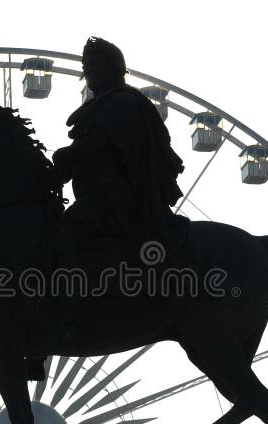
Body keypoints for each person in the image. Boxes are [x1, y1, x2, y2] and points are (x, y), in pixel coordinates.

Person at [50, 36, 186, 343]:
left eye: (95, 65)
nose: (89, 72)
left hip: (115, 196)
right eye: (86, 67)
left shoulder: (123, 101)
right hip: (98, 193)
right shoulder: (103, 104)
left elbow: (102, 144)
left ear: (114, 68)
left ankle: (68, 312)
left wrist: (66, 155)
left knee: (66, 235)